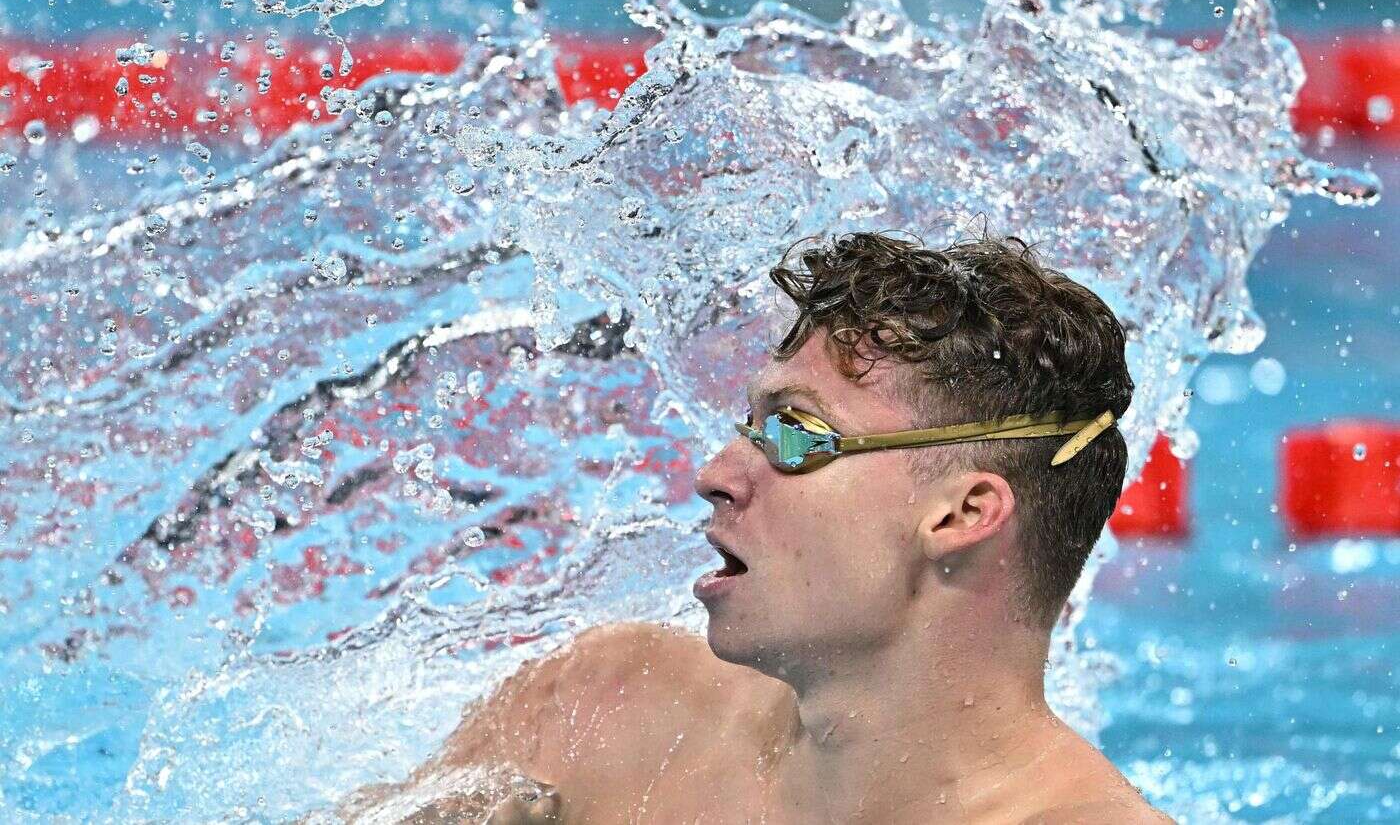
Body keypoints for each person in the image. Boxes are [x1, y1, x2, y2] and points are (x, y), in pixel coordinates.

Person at [334, 231, 1174, 823]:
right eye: (749, 425)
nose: (716, 476)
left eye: (796, 435)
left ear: (961, 515)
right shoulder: (597, 709)